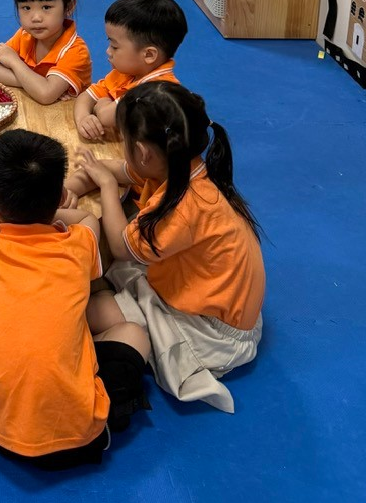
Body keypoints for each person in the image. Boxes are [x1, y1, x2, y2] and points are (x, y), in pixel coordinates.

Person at [0, 129, 150, 465]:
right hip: (79, 438)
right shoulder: (80, 242)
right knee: (134, 333)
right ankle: (101, 413)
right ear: (61, 197)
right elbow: (87, 217)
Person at [67, 83, 264, 413]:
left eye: (124, 142)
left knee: (92, 307)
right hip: (225, 305)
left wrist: (106, 185)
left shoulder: (183, 207)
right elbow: (120, 169)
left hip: (215, 336)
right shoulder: (182, 163)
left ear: (142, 152)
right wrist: (75, 184)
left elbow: (121, 246)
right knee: (111, 281)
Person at [74, 0, 186, 141]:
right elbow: (87, 96)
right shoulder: (127, 72)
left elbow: (106, 117)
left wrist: (101, 103)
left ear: (149, 55)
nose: (108, 51)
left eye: (114, 46)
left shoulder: (155, 91)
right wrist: (83, 118)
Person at [0, 0, 91, 103]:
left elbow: (45, 95)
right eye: (26, 8)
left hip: (69, 115)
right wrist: (35, 85)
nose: (36, 18)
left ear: (69, 7)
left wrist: (15, 63)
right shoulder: (24, 35)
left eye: (46, 7)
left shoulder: (76, 52)